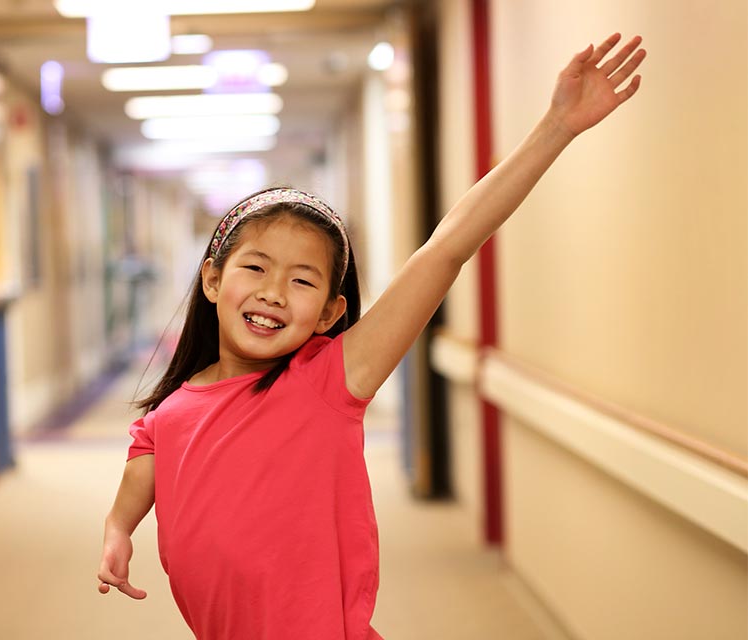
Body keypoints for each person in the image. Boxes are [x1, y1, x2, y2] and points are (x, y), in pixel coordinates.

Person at [96, 32, 646, 639]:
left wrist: (556, 127)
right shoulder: (174, 408)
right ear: (212, 280)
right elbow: (145, 461)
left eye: (302, 281)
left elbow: (445, 251)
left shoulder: (328, 382)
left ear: (331, 313)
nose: (274, 292)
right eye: (255, 268)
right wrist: (119, 529)